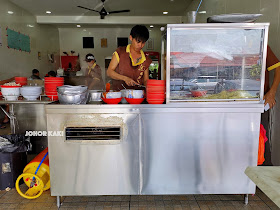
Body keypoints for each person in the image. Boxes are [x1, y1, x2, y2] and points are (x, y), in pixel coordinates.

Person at [107, 25, 152, 90]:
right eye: (138, 41)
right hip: (119, 94)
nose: (140, 45)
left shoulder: (146, 59)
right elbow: (109, 72)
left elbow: (145, 80)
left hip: (138, 96)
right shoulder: (120, 52)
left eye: (143, 42)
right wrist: (125, 78)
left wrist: (150, 89)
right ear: (131, 38)